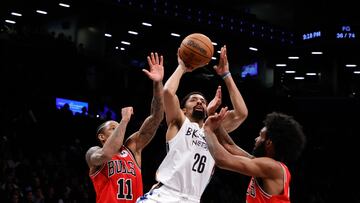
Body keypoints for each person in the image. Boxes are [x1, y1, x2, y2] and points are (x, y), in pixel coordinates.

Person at [137, 45, 248, 202]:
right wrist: (182, 67)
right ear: (183, 110)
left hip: (193, 199)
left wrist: (226, 75)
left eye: (203, 101)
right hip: (165, 195)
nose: (199, 102)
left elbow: (241, 114)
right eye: (193, 99)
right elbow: (168, 92)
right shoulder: (179, 123)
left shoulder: (213, 130)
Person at [85, 52, 164, 203]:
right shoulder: (93, 153)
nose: (119, 130)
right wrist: (123, 121)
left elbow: (156, 118)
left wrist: (157, 84)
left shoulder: (132, 147)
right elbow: (107, 154)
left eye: (118, 127)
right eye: (113, 128)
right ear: (102, 136)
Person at [203, 107, 306, 203]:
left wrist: (207, 129)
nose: (256, 139)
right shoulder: (265, 165)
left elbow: (222, 160)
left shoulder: (272, 167)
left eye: (260, 136)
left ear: (268, 143)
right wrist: (214, 118)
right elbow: (229, 146)